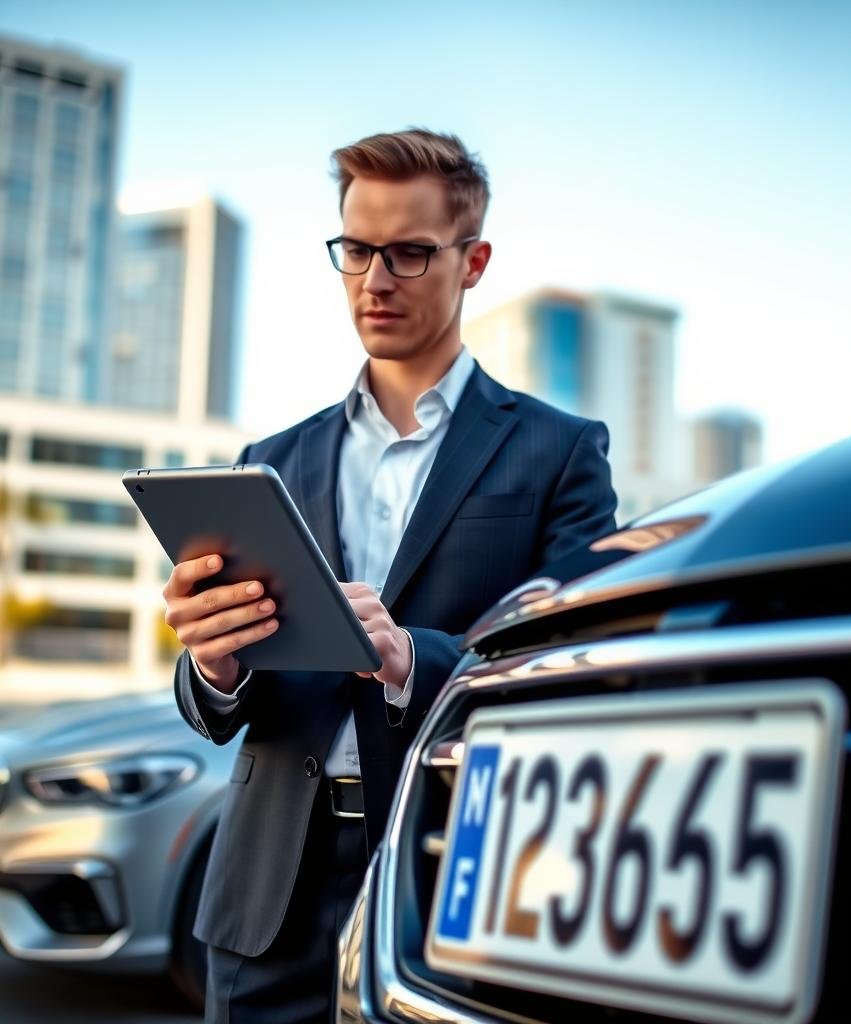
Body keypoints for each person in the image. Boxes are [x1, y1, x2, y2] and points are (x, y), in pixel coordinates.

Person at [164, 128, 618, 1024]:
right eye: (357, 250)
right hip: (265, 896)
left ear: (473, 260)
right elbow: (220, 706)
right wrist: (213, 666)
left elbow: (582, 668)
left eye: (410, 253)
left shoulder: (560, 451)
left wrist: (414, 658)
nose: (376, 280)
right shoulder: (271, 460)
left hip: (454, 875)